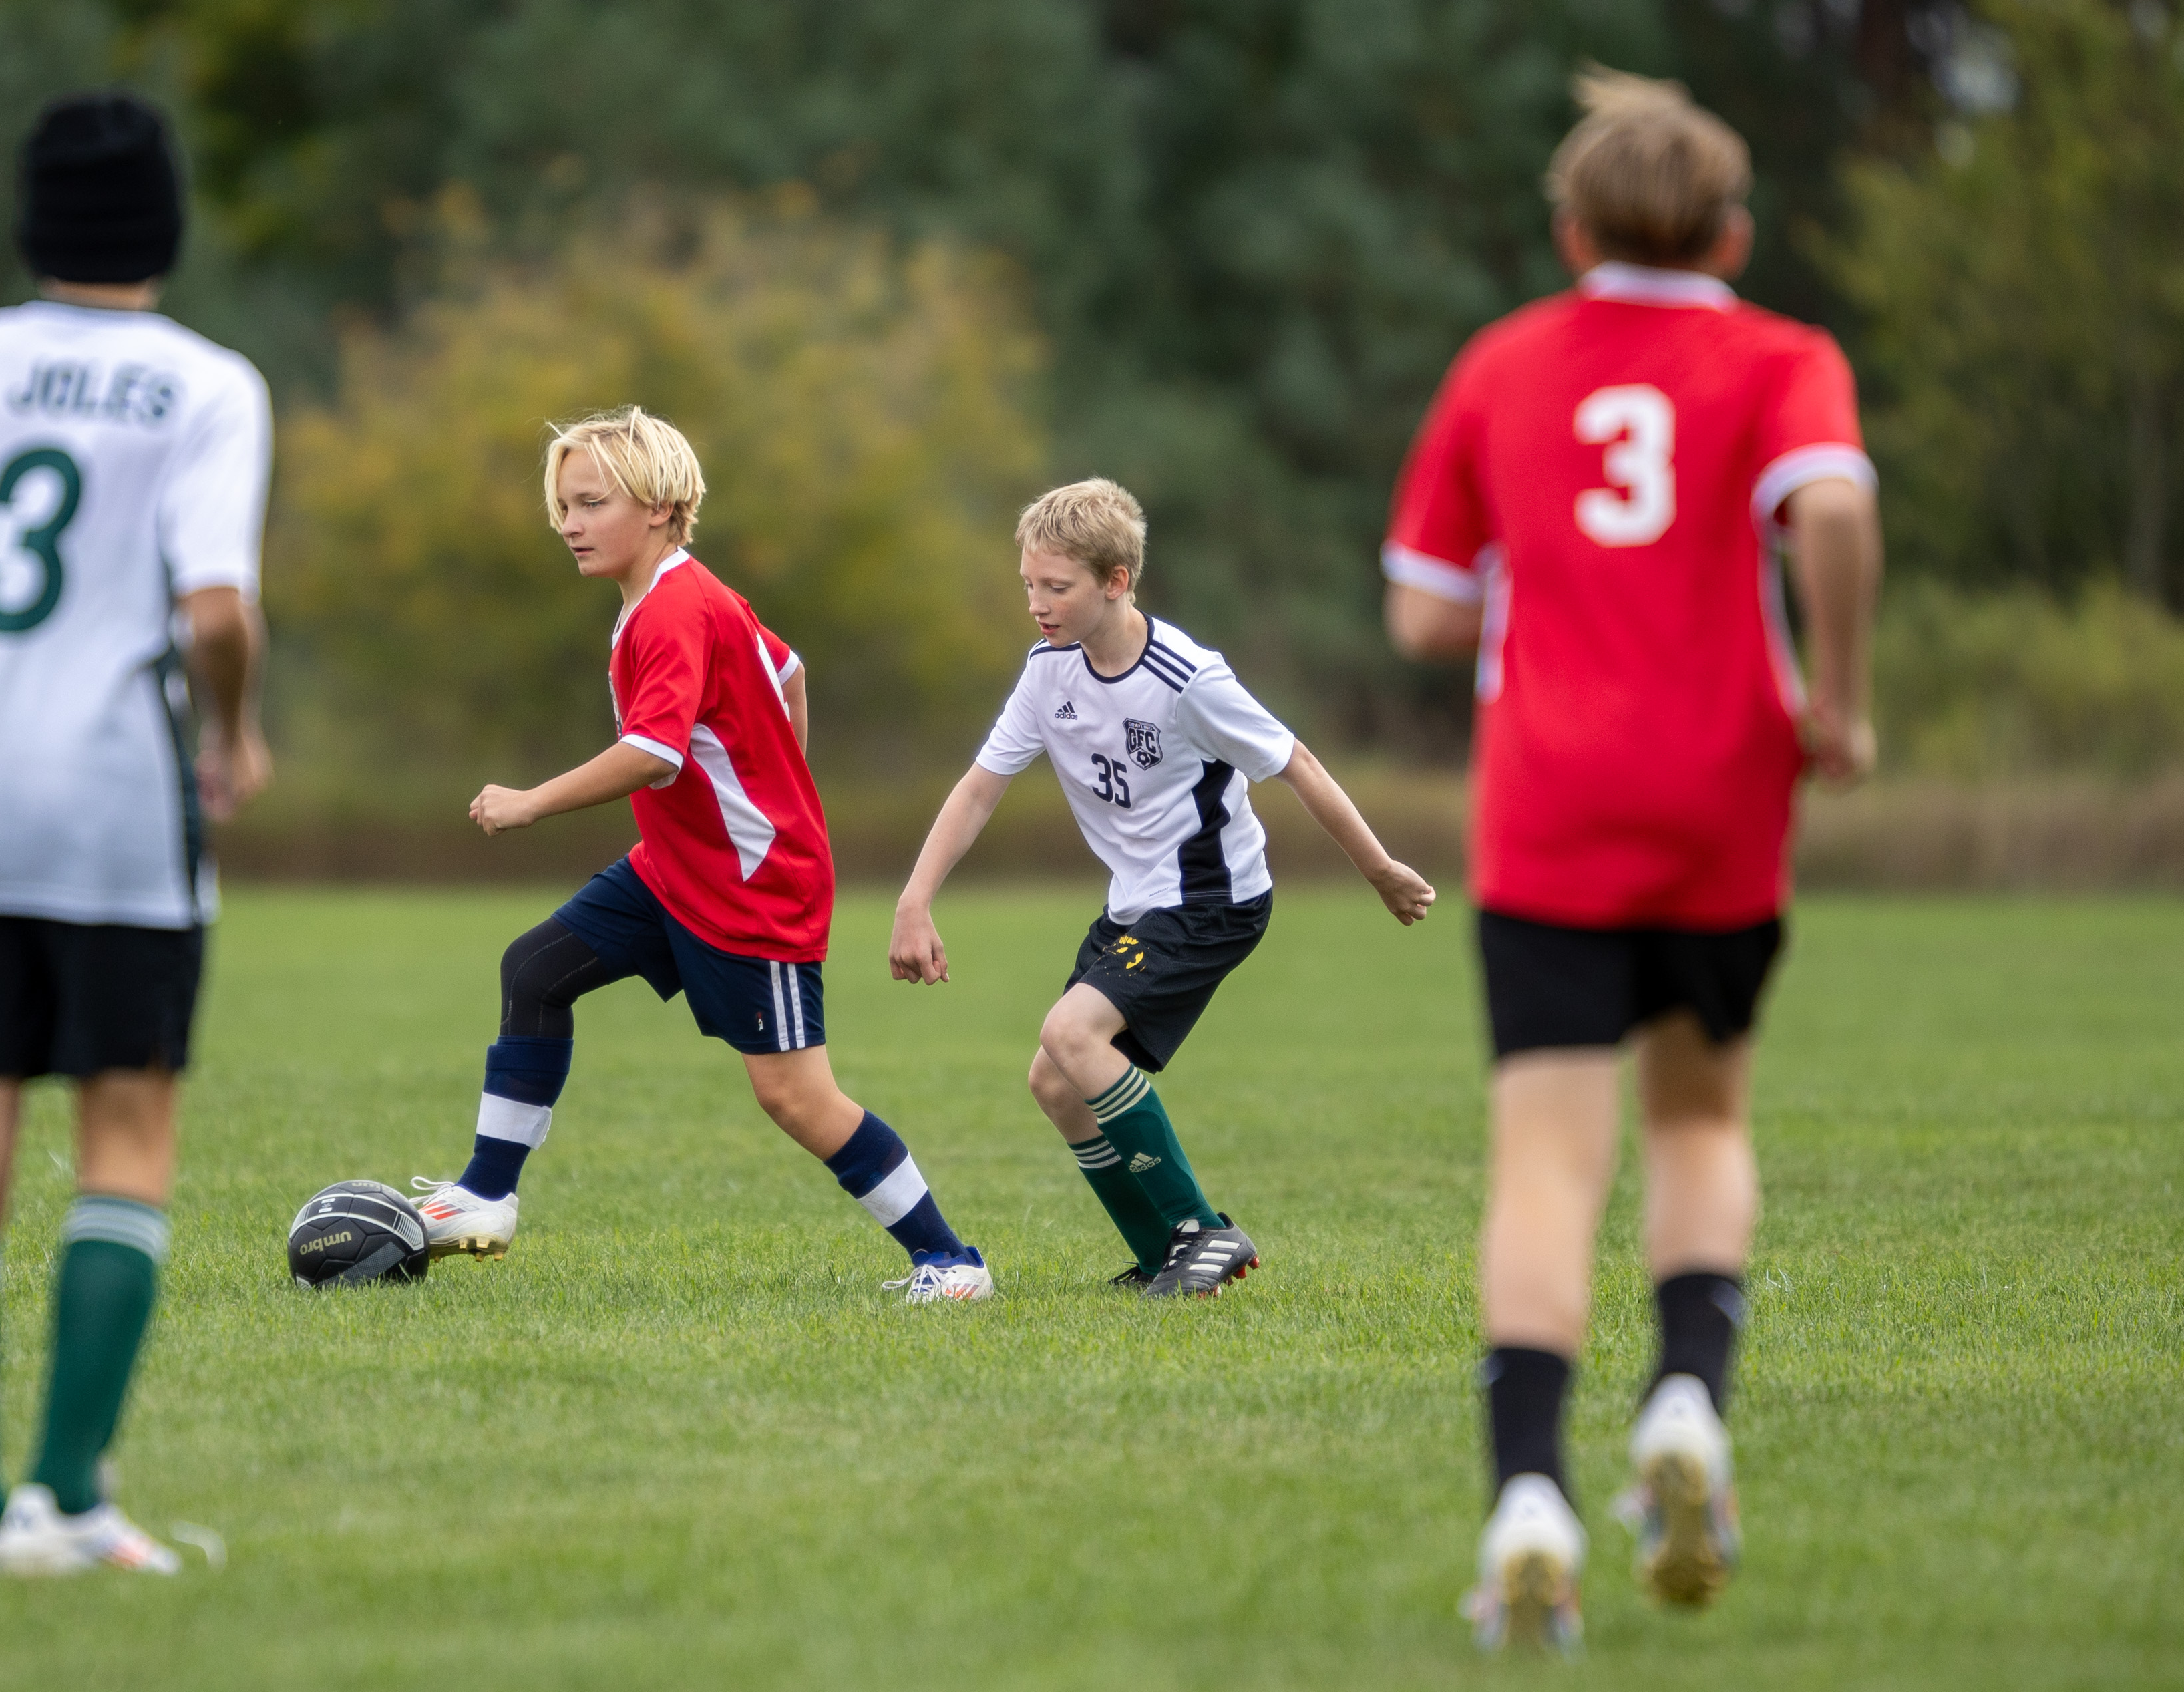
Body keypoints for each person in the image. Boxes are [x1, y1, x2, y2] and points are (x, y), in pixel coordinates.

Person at [1381, 70, 1883, 1650]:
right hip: (1722, 795)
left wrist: (1543, 578)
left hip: (1549, 803)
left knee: (1545, 1158)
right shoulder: (1783, 357)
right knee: (1698, 1115)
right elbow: (1832, 508)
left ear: (1569, 232)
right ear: (1731, 233)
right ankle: (1682, 1400)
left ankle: (1529, 1496)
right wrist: (1839, 697)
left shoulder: (1503, 362)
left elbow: (1422, 609)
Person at [0, 90, 272, 1577]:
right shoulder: (206, 384)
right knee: (125, 1131)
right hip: (113, 804)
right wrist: (232, 730)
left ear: (33, 221)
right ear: (165, 222)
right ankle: (67, 1497)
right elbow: (215, 610)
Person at [407, 407, 994, 1304]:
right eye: (562, 505)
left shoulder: (674, 608)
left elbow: (655, 754)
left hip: (752, 890)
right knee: (535, 969)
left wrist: (533, 800)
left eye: (591, 503)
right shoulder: (672, 595)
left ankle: (951, 1263)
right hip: (674, 868)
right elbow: (788, 672)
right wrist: (775, 780)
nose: (569, 523)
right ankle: (485, 1197)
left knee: (796, 1098)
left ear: (658, 507)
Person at [888, 478, 1435, 1297]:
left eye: (1056, 587)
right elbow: (977, 790)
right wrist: (914, 899)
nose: (1036, 604)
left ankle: (1202, 1232)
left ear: (1116, 581)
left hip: (1212, 900)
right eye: (1028, 584)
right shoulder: (1047, 673)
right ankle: (1163, 1255)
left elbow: (1297, 763)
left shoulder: (1187, 678)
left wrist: (1379, 869)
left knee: (1071, 1033)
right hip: (1136, 903)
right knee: (1053, 1080)